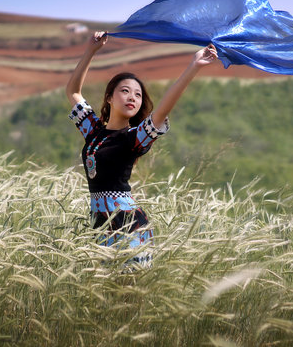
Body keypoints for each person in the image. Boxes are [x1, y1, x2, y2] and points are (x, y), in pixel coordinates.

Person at [66, 31, 218, 265]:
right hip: (100, 224)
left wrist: (194, 65)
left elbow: (163, 110)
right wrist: (91, 51)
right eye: (125, 91)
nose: (132, 98)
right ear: (109, 97)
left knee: (128, 294)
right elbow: (73, 91)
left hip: (129, 225)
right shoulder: (93, 131)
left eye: (138, 95)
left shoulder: (134, 137)